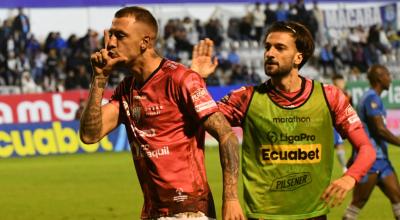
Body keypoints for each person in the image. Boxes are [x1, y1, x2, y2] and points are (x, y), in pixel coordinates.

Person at [191, 21, 376, 219]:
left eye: (279, 48)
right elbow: (197, 116)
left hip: (313, 215)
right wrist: (195, 78)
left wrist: (350, 177)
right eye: (267, 47)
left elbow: (366, 148)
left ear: (299, 57)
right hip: (263, 215)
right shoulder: (245, 98)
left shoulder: (329, 96)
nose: (269, 53)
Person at [79, 6, 244, 220]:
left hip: (189, 211)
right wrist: (99, 78)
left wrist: (230, 199)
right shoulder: (126, 90)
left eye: (120, 36)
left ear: (145, 42)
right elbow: (90, 135)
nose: (110, 43)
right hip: (152, 213)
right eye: (111, 35)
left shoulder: (180, 79)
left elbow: (227, 135)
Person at [343, 64, 400, 220]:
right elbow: (379, 130)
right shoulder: (371, 99)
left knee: (398, 200)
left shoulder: (372, 97)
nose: (390, 79)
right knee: (357, 204)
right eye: (388, 75)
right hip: (370, 160)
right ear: (379, 78)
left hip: (382, 160)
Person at [332, 74, 352, 173]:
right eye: (340, 81)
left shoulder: (347, 94)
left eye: (342, 81)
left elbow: (350, 108)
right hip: (332, 124)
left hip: (340, 123)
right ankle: (345, 168)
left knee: (339, 145)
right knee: (337, 145)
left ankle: (345, 168)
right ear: (335, 82)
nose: (342, 83)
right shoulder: (332, 93)